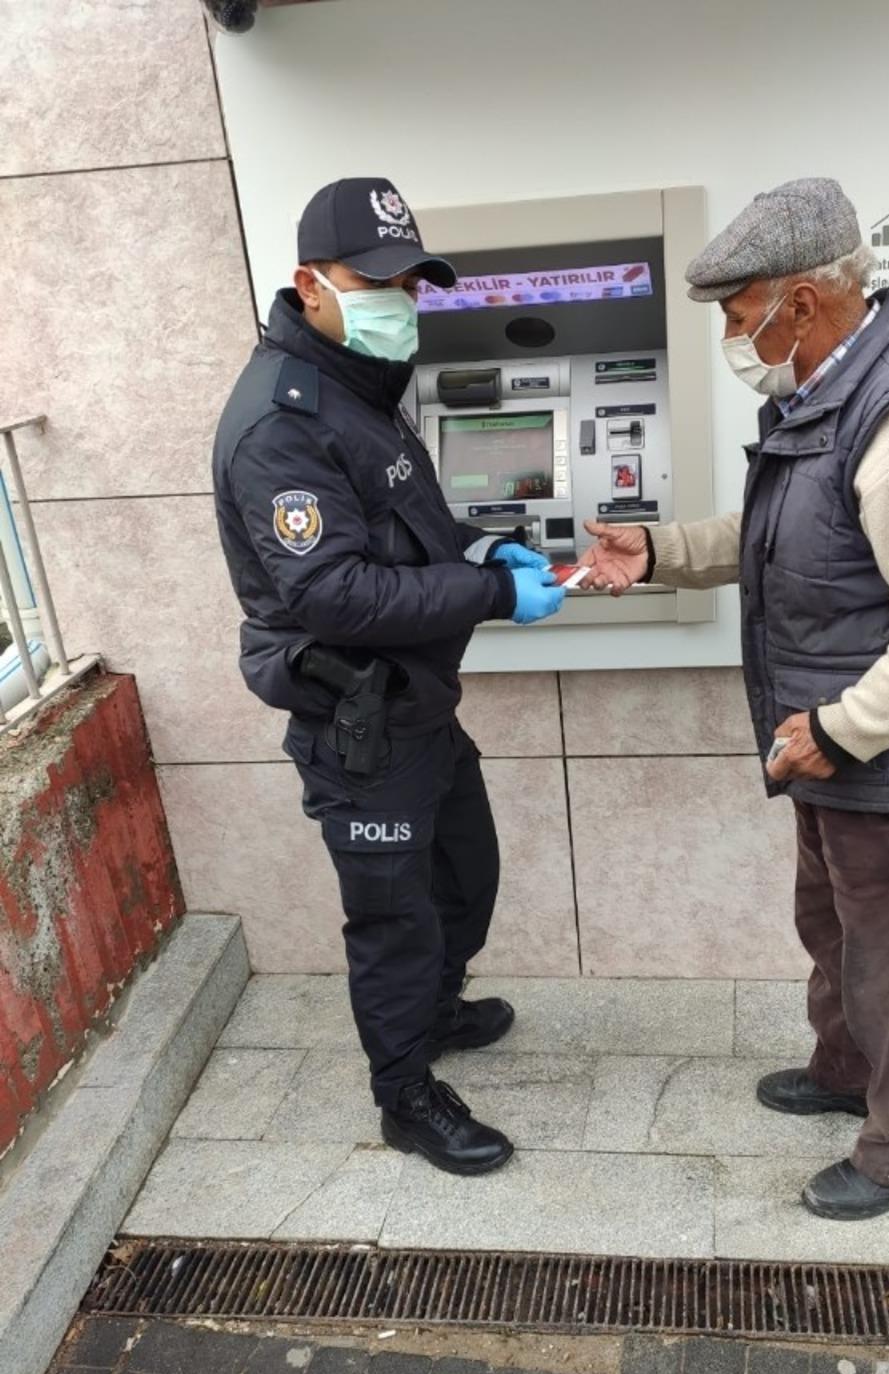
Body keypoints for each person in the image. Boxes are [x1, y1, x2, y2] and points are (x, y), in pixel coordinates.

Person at [581, 178, 889, 1221]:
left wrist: (838, 729)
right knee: (834, 925)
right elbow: (778, 539)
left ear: (802, 303)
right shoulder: (819, 398)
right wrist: (659, 553)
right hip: (828, 749)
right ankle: (845, 1073)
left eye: (739, 315)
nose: (736, 338)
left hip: (887, 757)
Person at [212, 177, 565, 1177]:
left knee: (467, 870)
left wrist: (483, 550)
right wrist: (490, 597)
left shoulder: (361, 390)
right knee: (394, 916)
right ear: (309, 285)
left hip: (415, 705)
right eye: (375, 280)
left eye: (409, 279)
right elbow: (337, 595)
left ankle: (435, 1009)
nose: (398, 297)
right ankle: (405, 1095)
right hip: (355, 719)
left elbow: (409, 528)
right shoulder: (280, 423)